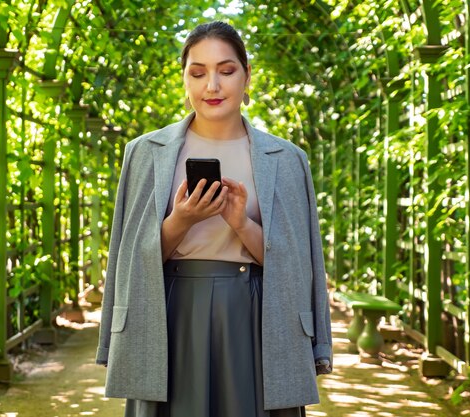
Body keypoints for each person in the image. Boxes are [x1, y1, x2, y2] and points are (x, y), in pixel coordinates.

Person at [96, 20, 332, 417]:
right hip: (169, 311)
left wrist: (241, 222)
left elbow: (298, 265)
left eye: (226, 71)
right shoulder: (144, 152)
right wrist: (181, 220)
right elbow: (127, 258)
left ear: (246, 75)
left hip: (257, 314)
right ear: (184, 80)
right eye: (198, 72)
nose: (213, 86)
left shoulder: (288, 160)